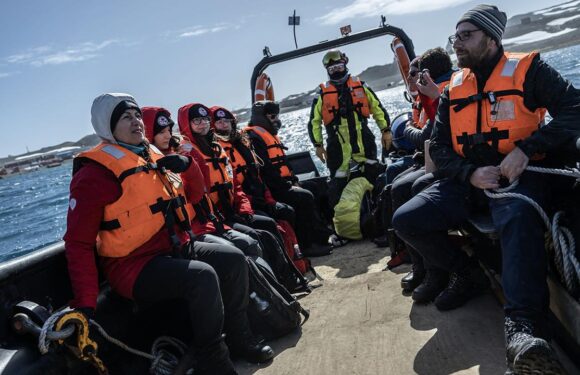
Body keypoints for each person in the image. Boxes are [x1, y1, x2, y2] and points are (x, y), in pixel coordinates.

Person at [392, 5, 580, 373]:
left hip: (522, 177)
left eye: (467, 35)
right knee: (407, 219)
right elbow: (440, 146)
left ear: (492, 39)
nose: (457, 43)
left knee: (518, 217)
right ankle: (468, 273)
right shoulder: (454, 88)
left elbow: (575, 107)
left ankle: (524, 328)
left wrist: (525, 150)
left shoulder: (529, 71)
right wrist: (470, 174)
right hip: (471, 181)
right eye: (455, 37)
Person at [64, 94, 273, 375]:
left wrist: (189, 167)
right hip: (132, 265)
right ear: (107, 126)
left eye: (137, 115)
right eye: (126, 117)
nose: (136, 121)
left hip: (175, 245)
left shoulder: (153, 154)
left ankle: (240, 337)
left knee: (233, 259)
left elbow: (197, 195)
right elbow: (78, 243)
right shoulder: (94, 174)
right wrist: (86, 304)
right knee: (202, 277)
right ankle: (215, 361)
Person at [141, 106, 262, 258]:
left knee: (254, 241)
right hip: (188, 231)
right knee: (239, 251)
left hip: (209, 219)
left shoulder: (182, 152)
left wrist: (190, 162)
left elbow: (200, 191)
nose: (167, 136)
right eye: (161, 132)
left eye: (168, 131)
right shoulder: (145, 167)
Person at [389, 48, 454, 293]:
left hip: (448, 164)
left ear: (428, 73)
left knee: (404, 187)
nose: (415, 79)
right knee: (397, 183)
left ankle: (432, 270)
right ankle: (422, 266)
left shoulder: (443, 91)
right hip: (438, 159)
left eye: (418, 73)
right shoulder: (435, 92)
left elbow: (426, 134)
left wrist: (406, 129)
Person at [308, 49, 392, 213]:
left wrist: (385, 130)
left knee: (374, 177)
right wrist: (318, 145)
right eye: (332, 69)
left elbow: (377, 108)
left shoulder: (360, 85)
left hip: (364, 142)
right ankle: (342, 226)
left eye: (338, 67)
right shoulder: (321, 94)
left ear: (345, 64)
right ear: (327, 71)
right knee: (337, 186)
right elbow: (314, 121)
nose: (336, 71)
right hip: (337, 148)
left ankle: (380, 216)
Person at [246, 100, 333, 256]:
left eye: (277, 116)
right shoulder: (254, 138)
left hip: (283, 183)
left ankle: (323, 236)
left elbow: (283, 162)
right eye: (272, 117)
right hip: (272, 189)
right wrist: (287, 186)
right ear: (262, 117)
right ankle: (308, 245)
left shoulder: (269, 135)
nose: (276, 120)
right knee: (303, 197)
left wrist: (293, 180)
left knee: (315, 186)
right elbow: (266, 171)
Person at [210, 105, 295, 225]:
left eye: (226, 121)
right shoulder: (215, 151)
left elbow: (258, 175)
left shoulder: (242, 142)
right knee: (270, 222)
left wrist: (269, 199)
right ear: (213, 126)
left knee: (287, 211)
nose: (224, 124)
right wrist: (250, 202)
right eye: (219, 122)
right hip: (243, 201)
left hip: (259, 194)